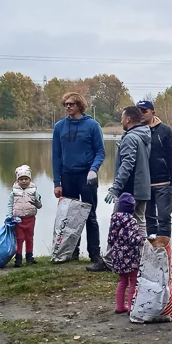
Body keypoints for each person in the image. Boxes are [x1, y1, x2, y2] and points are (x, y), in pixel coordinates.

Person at [52, 92, 107, 271]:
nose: (68, 107)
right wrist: (56, 182)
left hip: (87, 176)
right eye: (65, 104)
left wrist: (94, 169)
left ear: (79, 105)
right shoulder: (59, 127)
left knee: (90, 216)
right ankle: (71, 252)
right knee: (70, 217)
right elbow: (56, 156)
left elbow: (101, 152)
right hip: (68, 176)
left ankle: (95, 254)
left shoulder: (92, 125)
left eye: (71, 104)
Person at [104, 106, 152, 235]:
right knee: (140, 223)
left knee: (117, 224)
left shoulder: (131, 138)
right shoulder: (143, 135)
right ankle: (142, 253)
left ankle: (112, 255)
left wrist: (115, 189)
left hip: (129, 191)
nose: (121, 121)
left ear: (128, 119)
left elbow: (127, 165)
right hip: (143, 189)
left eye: (122, 118)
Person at [137, 100, 172, 238]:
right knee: (148, 219)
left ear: (153, 112)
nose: (141, 114)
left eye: (144, 111)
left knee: (164, 217)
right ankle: (152, 251)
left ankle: (164, 250)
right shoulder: (135, 130)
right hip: (144, 183)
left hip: (163, 182)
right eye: (139, 111)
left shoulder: (165, 130)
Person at [107, 193, 145, 314]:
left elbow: (110, 240)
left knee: (122, 282)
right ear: (132, 208)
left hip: (117, 256)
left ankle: (119, 307)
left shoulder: (114, 219)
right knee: (133, 281)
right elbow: (133, 239)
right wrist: (144, 239)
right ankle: (131, 306)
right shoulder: (132, 221)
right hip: (131, 256)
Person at [6, 164, 42, 268]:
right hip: (18, 220)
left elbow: (39, 205)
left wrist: (38, 202)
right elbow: (10, 204)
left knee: (29, 238)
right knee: (19, 238)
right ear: (18, 180)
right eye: (21, 179)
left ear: (30, 179)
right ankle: (18, 258)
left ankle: (29, 257)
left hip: (30, 218)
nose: (24, 181)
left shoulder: (34, 191)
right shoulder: (13, 192)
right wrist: (9, 216)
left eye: (26, 179)